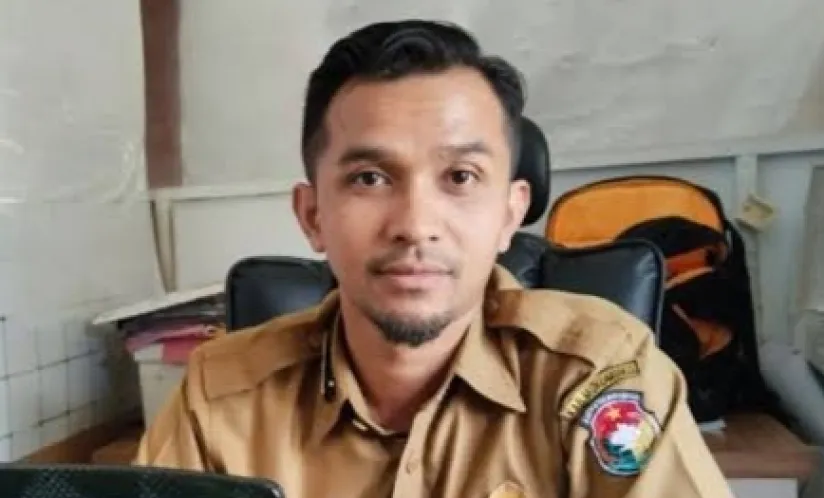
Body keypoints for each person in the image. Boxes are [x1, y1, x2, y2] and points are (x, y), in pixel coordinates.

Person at [134, 19, 733, 498]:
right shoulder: (220, 397)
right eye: (370, 178)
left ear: (510, 213)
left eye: (461, 176)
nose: (416, 224)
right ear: (313, 215)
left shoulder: (598, 373)